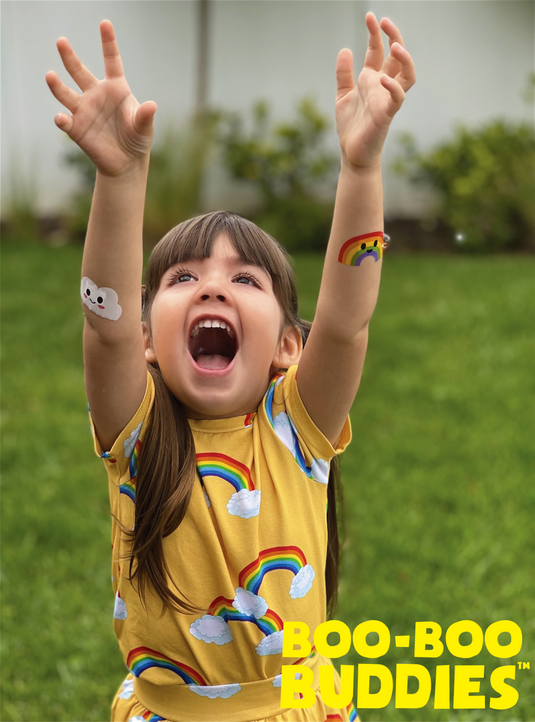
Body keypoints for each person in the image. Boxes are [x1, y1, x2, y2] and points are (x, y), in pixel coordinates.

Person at [46, 12, 414, 722]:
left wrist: (361, 167)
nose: (213, 285)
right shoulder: (137, 433)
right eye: (182, 277)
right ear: (151, 337)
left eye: (247, 281)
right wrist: (120, 177)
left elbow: (346, 318)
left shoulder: (298, 431)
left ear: (287, 346)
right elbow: (105, 326)